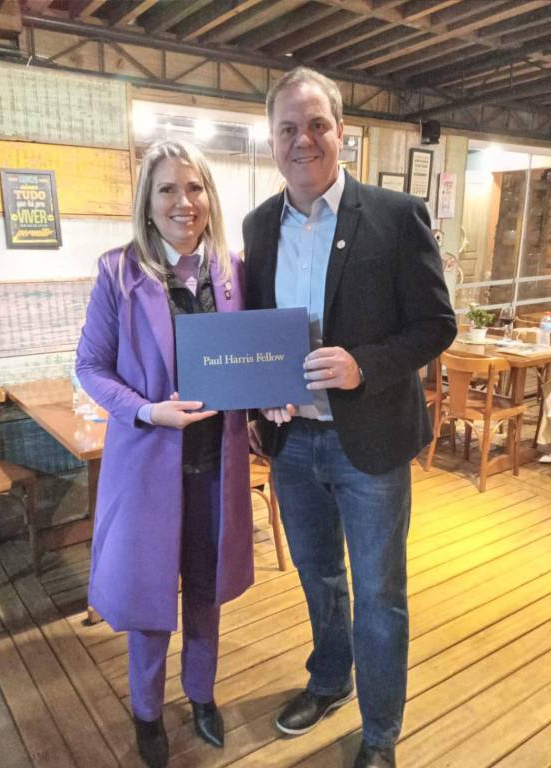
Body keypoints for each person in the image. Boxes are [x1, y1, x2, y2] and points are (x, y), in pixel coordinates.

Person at [243, 67, 457, 768]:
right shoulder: (258, 226)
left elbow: (436, 324)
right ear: (271, 140)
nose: (302, 140)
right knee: (318, 577)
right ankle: (330, 680)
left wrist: (364, 364)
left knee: (380, 594)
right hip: (293, 442)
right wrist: (261, 392)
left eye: (316, 125)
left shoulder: (395, 216)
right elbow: (257, 329)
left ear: (342, 133)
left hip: (371, 443)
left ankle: (380, 735)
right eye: (287, 128)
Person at [76, 139, 253, 768]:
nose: (184, 202)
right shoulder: (117, 273)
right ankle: (147, 713)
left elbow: (253, 357)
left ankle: (201, 695)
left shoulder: (232, 270)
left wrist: (274, 394)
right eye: (168, 189)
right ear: (147, 204)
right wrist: (149, 411)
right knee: (150, 600)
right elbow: (90, 368)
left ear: (210, 196)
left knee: (206, 592)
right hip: (150, 466)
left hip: (215, 468)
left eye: (195, 187)